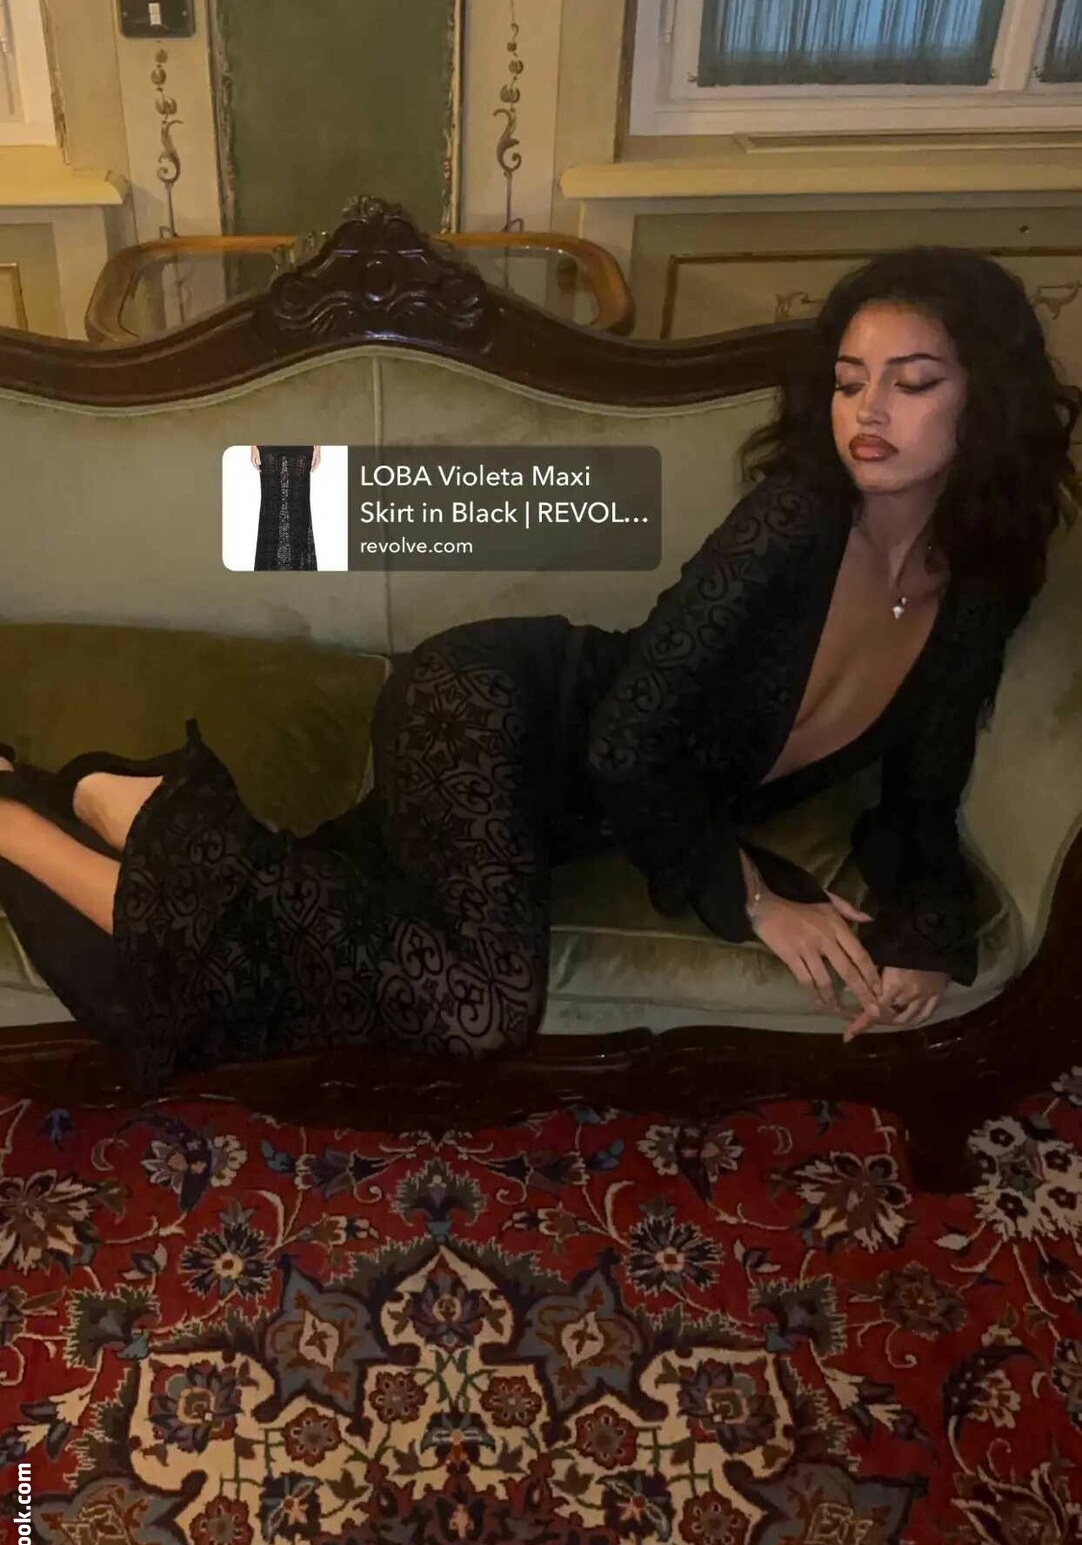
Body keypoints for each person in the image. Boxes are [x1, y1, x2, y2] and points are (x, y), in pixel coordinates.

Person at [0, 248, 1076, 1096]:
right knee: (480, 1008)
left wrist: (927, 936)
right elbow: (624, 742)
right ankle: (76, 824)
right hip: (492, 707)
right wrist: (750, 897)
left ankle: (102, 812)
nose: (867, 413)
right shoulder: (792, 521)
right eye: (848, 383)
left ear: (986, 398)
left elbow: (919, 798)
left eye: (912, 383)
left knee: (299, 970)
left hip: (561, 815)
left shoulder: (980, 586)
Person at [252, 444, 320, 570]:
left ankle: (298, 574)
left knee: (299, 511)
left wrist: (318, 446)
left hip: (301, 441)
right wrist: (252, 444)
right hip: (268, 441)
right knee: (270, 511)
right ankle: (269, 575)